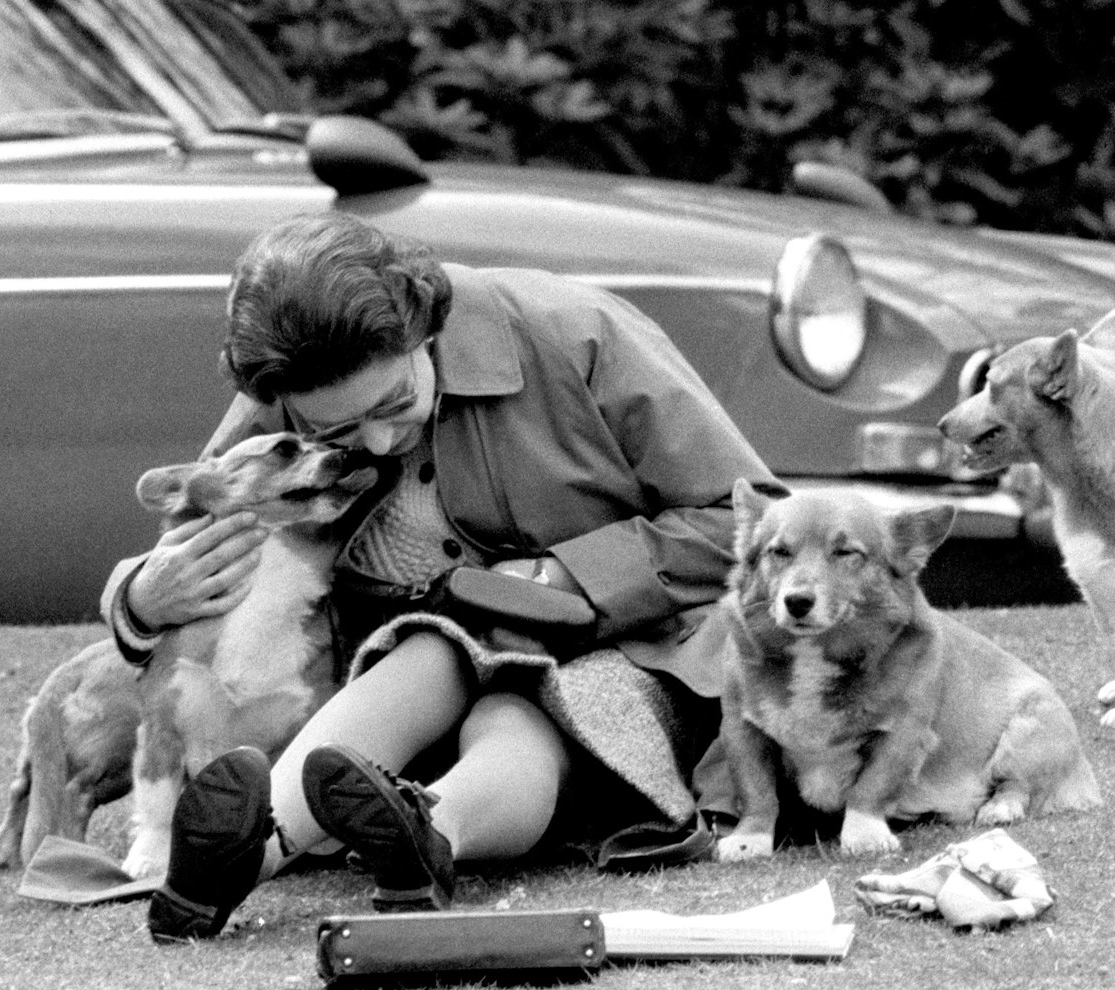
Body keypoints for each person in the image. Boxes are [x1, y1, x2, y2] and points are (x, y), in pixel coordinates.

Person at [101, 210, 778, 941]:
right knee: (431, 650)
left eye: (394, 404)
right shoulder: (296, 379)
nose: (379, 441)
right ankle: (242, 854)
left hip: (628, 644)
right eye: (338, 431)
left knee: (521, 710)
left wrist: (561, 575)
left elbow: (749, 519)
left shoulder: (575, 330)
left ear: (424, 326)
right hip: (420, 661)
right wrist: (138, 600)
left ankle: (430, 829)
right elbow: (198, 516)